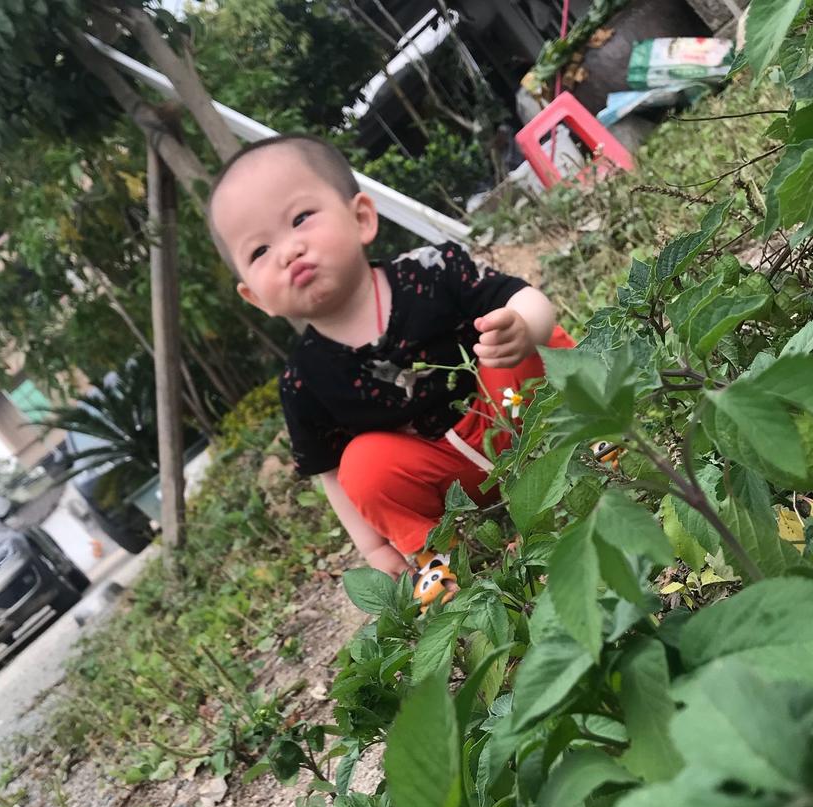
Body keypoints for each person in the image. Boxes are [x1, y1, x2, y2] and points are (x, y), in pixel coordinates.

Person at [208, 134, 570, 607]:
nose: (287, 251)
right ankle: (440, 557)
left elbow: (527, 297)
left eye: (300, 219)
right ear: (254, 297)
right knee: (362, 465)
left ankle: (592, 429)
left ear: (361, 218)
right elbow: (332, 473)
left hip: (514, 414)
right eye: (259, 252)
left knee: (527, 344)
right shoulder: (304, 380)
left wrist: (524, 325)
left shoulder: (433, 270)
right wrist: (374, 545)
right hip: (449, 483)